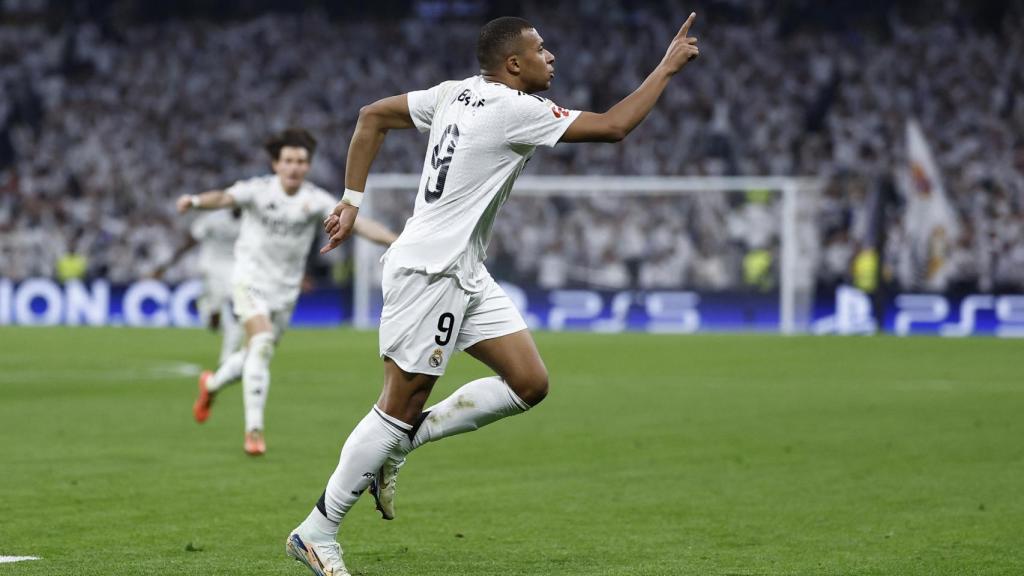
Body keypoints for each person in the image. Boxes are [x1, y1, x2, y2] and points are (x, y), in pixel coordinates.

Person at [286, 14, 700, 575]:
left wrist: (351, 198)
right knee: (397, 405)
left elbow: (372, 116)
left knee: (529, 382)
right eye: (541, 49)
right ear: (513, 64)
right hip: (430, 272)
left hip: (465, 269)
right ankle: (318, 529)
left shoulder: (452, 94)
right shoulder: (515, 109)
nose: (550, 57)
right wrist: (667, 67)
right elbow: (613, 127)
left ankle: (399, 447)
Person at [175, 128, 398, 456]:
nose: (294, 167)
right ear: (276, 164)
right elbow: (223, 198)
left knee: (255, 354)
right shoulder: (257, 191)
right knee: (261, 344)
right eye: (289, 161)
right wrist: (194, 201)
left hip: (285, 291)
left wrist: (395, 240)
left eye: (301, 161)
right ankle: (254, 431)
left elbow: (359, 225)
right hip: (249, 280)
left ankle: (210, 385)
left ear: (307, 166)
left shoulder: (315, 200)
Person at [152, 208, 244, 366]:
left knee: (239, 311)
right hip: (211, 268)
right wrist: (166, 266)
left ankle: (227, 358)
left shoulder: (251, 220)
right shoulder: (213, 219)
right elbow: (190, 241)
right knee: (213, 323)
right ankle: (207, 307)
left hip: (236, 269)